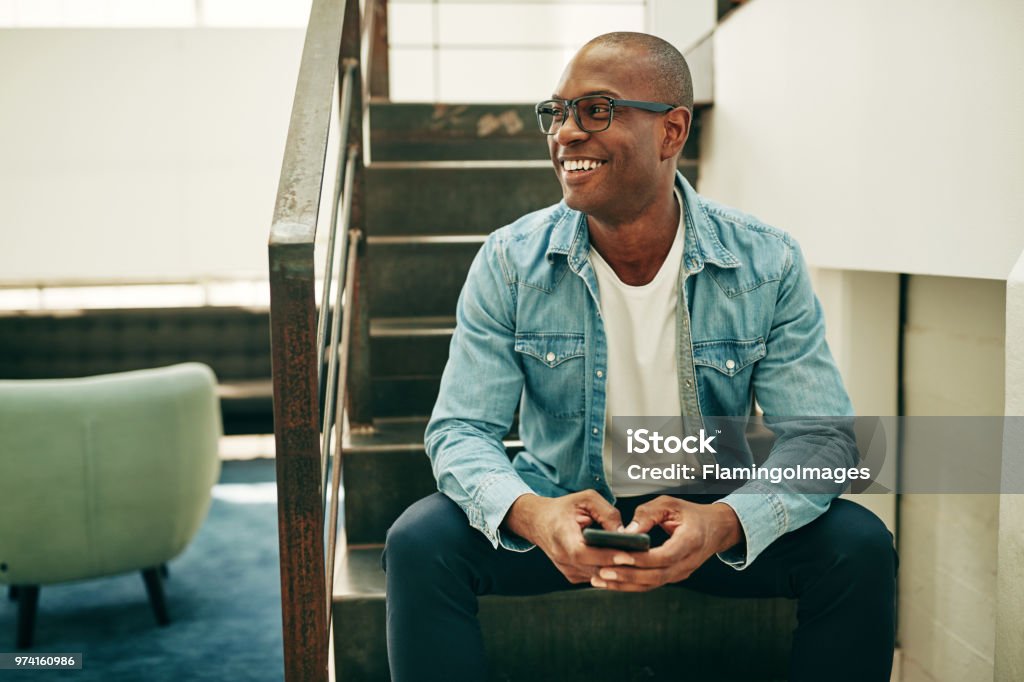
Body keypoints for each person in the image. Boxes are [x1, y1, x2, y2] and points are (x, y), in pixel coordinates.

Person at [383, 31, 897, 682]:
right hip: (564, 504)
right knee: (419, 542)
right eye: (557, 112)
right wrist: (534, 514)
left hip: (709, 508)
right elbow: (459, 430)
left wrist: (726, 521)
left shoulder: (766, 261)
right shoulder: (511, 262)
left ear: (671, 131)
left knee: (860, 545)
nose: (565, 133)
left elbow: (823, 439)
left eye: (595, 110)